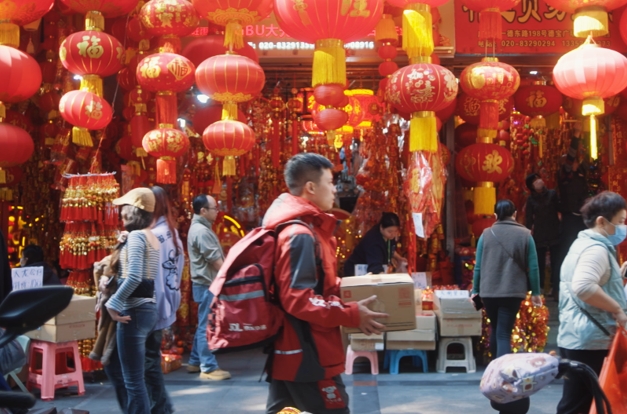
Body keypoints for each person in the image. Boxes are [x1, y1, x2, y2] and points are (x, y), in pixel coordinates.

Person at [263, 153, 387, 414]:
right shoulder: (299, 234)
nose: (334, 190)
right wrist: (351, 314)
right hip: (307, 350)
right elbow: (298, 299)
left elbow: (318, 285)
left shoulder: (308, 229)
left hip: (297, 348)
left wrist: (353, 288)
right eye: (330, 182)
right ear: (311, 187)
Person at [557, 191, 627, 414]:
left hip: (578, 334)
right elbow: (584, 286)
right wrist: (618, 309)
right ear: (601, 221)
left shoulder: (582, 243)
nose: (623, 228)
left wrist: (617, 274)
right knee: (579, 404)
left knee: (579, 401)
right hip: (590, 340)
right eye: (620, 222)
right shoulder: (596, 249)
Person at [472, 199, 542, 414]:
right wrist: (536, 293)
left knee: (496, 329)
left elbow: (478, 266)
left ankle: (495, 371)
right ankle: (503, 378)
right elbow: (533, 267)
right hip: (512, 291)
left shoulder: (486, 234)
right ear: (515, 213)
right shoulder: (525, 235)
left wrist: (475, 290)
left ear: (496, 215)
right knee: (504, 332)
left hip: (489, 292)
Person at [106, 187, 161, 414]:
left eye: (125, 207)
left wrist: (113, 303)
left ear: (133, 210)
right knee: (134, 379)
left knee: (133, 382)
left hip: (134, 311)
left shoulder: (138, 237)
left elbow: (135, 276)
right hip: (146, 310)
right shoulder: (150, 236)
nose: (121, 212)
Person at [146, 186, 184, 414]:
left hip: (153, 305)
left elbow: (153, 278)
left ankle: (160, 407)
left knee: (148, 363)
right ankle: (160, 407)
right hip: (165, 301)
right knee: (150, 361)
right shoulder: (171, 233)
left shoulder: (154, 236)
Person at [187, 194, 230, 380]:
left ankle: (195, 360)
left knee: (203, 323)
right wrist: (229, 275)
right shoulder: (201, 231)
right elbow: (216, 261)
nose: (217, 211)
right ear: (203, 211)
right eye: (214, 208)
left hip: (205, 284)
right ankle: (208, 367)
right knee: (206, 326)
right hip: (207, 284)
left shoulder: (201, 229)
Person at [524, 174, 560, 296]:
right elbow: (529, 218)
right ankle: (539, 288)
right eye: (534, 181)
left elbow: (559, 208)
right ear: (531, 186)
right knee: (539, 262)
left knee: (556, 261)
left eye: (538, 178)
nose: (538, 181)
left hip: (554, 230)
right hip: (539, 233)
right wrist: (528, 232)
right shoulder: (531, 199)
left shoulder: (552, 194)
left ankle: (555, 287)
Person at [343, 212, 406, 276]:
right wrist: (384, 279)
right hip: (356, 271)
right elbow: (375, 268)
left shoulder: (388, 236)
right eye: (390, 231)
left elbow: (389, 248)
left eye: (395, 231)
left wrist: (399, 258)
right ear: (381, 228)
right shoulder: (373, 241)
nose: (393, 234)